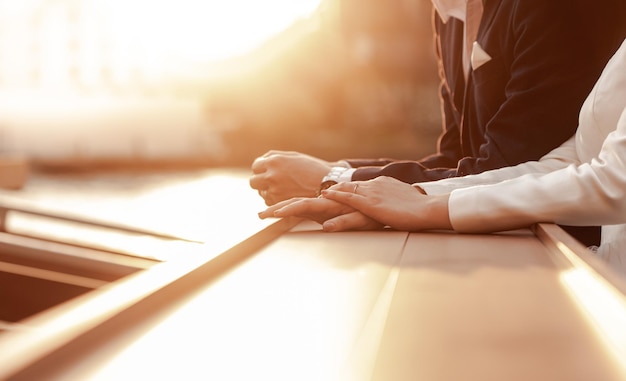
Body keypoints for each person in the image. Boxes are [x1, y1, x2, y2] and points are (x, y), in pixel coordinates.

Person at [250, 0, 626, 245]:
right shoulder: (447, 16)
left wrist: (333, 181)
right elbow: (460, 154)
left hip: (556, 247)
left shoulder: (552, 9)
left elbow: (509, 162)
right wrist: (353, 182)